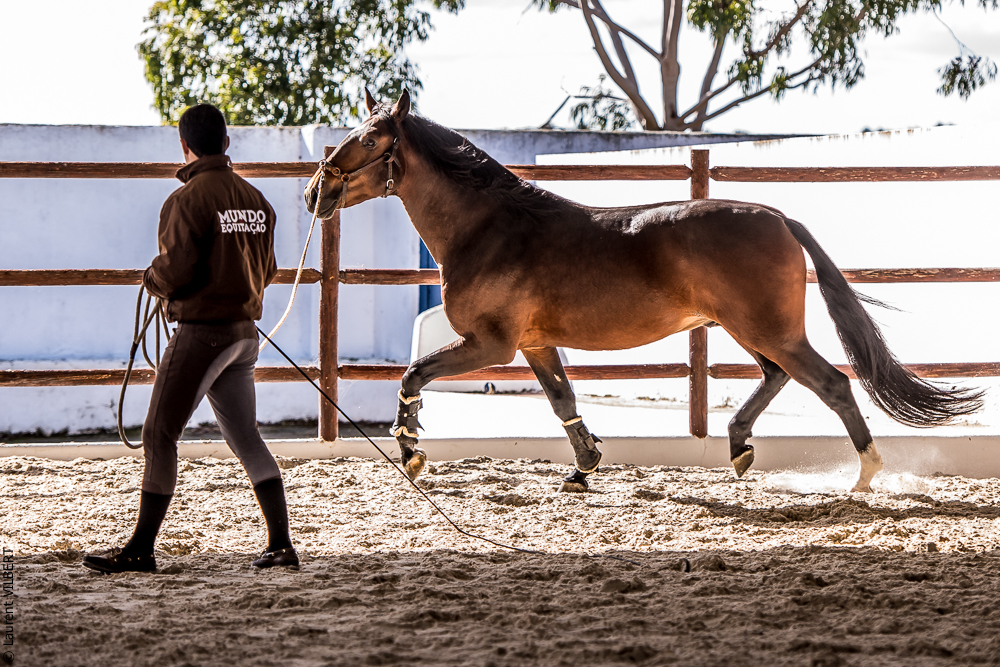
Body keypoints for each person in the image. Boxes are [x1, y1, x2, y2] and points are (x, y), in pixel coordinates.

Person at [83, 104, 298, 573]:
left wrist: (151, 279)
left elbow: (175, 271)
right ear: (226, 143)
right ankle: (281, 543)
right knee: (245, 435)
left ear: (184, 146)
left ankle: (141, 548)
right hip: (244, 335)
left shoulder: (185, 200)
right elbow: (268, 271)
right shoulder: (258, 200)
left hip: (203, 335)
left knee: (158, 433)